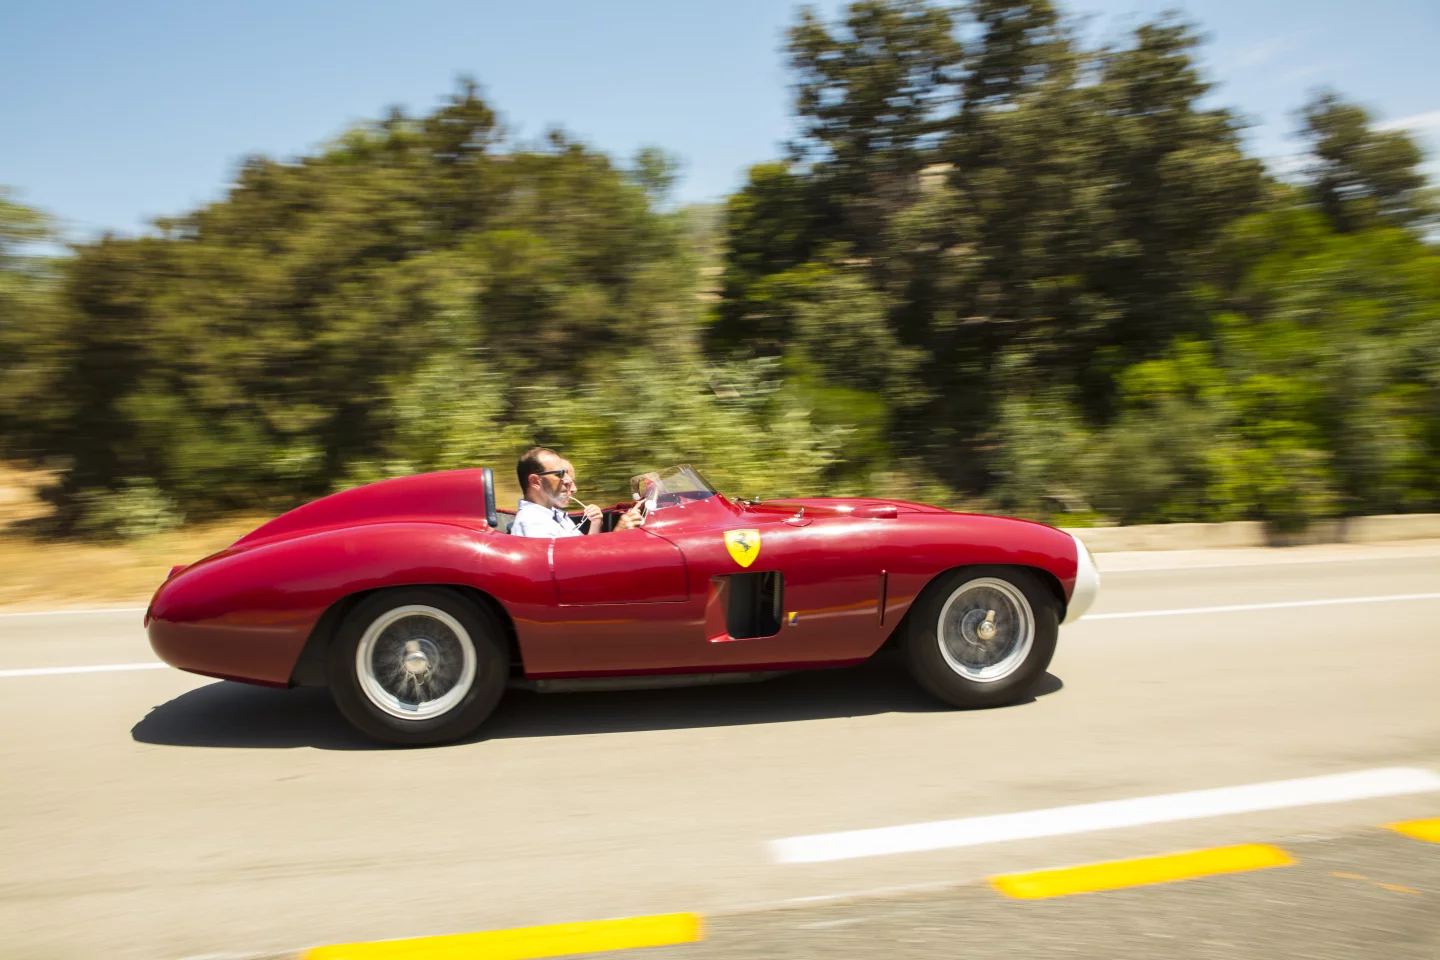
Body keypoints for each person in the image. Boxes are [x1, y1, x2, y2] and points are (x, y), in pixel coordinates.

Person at [511, 447, 644, 538]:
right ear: (535, 482)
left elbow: (583, 551)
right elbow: (573, 572)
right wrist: (619, 532)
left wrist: (596, 523)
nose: (568, 480)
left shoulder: (552, 515)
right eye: (559, 474)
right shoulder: (533, 523)